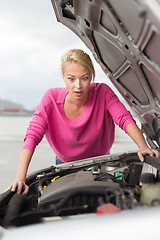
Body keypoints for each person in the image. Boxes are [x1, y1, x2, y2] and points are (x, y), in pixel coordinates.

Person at [10, 49, 160, 195]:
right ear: (63, 77)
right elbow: (32, 137)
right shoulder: (50, 99)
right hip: (65, 166)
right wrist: (20, 178)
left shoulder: (103, 92)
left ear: (92, 76)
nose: (78, 86)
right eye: (71, 78)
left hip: (101, 163)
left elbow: (124, 119)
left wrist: (143, 147)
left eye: (84, 78)